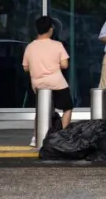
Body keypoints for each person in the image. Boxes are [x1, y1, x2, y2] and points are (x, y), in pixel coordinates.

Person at [23, 16, 73, 147]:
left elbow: (25, 67)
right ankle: (61, 135)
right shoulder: (57, 45)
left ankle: (36, 137)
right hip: (56, 82)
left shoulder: (30, 47)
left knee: (41, 110)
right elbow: (65, 65)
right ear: (51, 29)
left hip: (38, 84)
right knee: (67, 107)